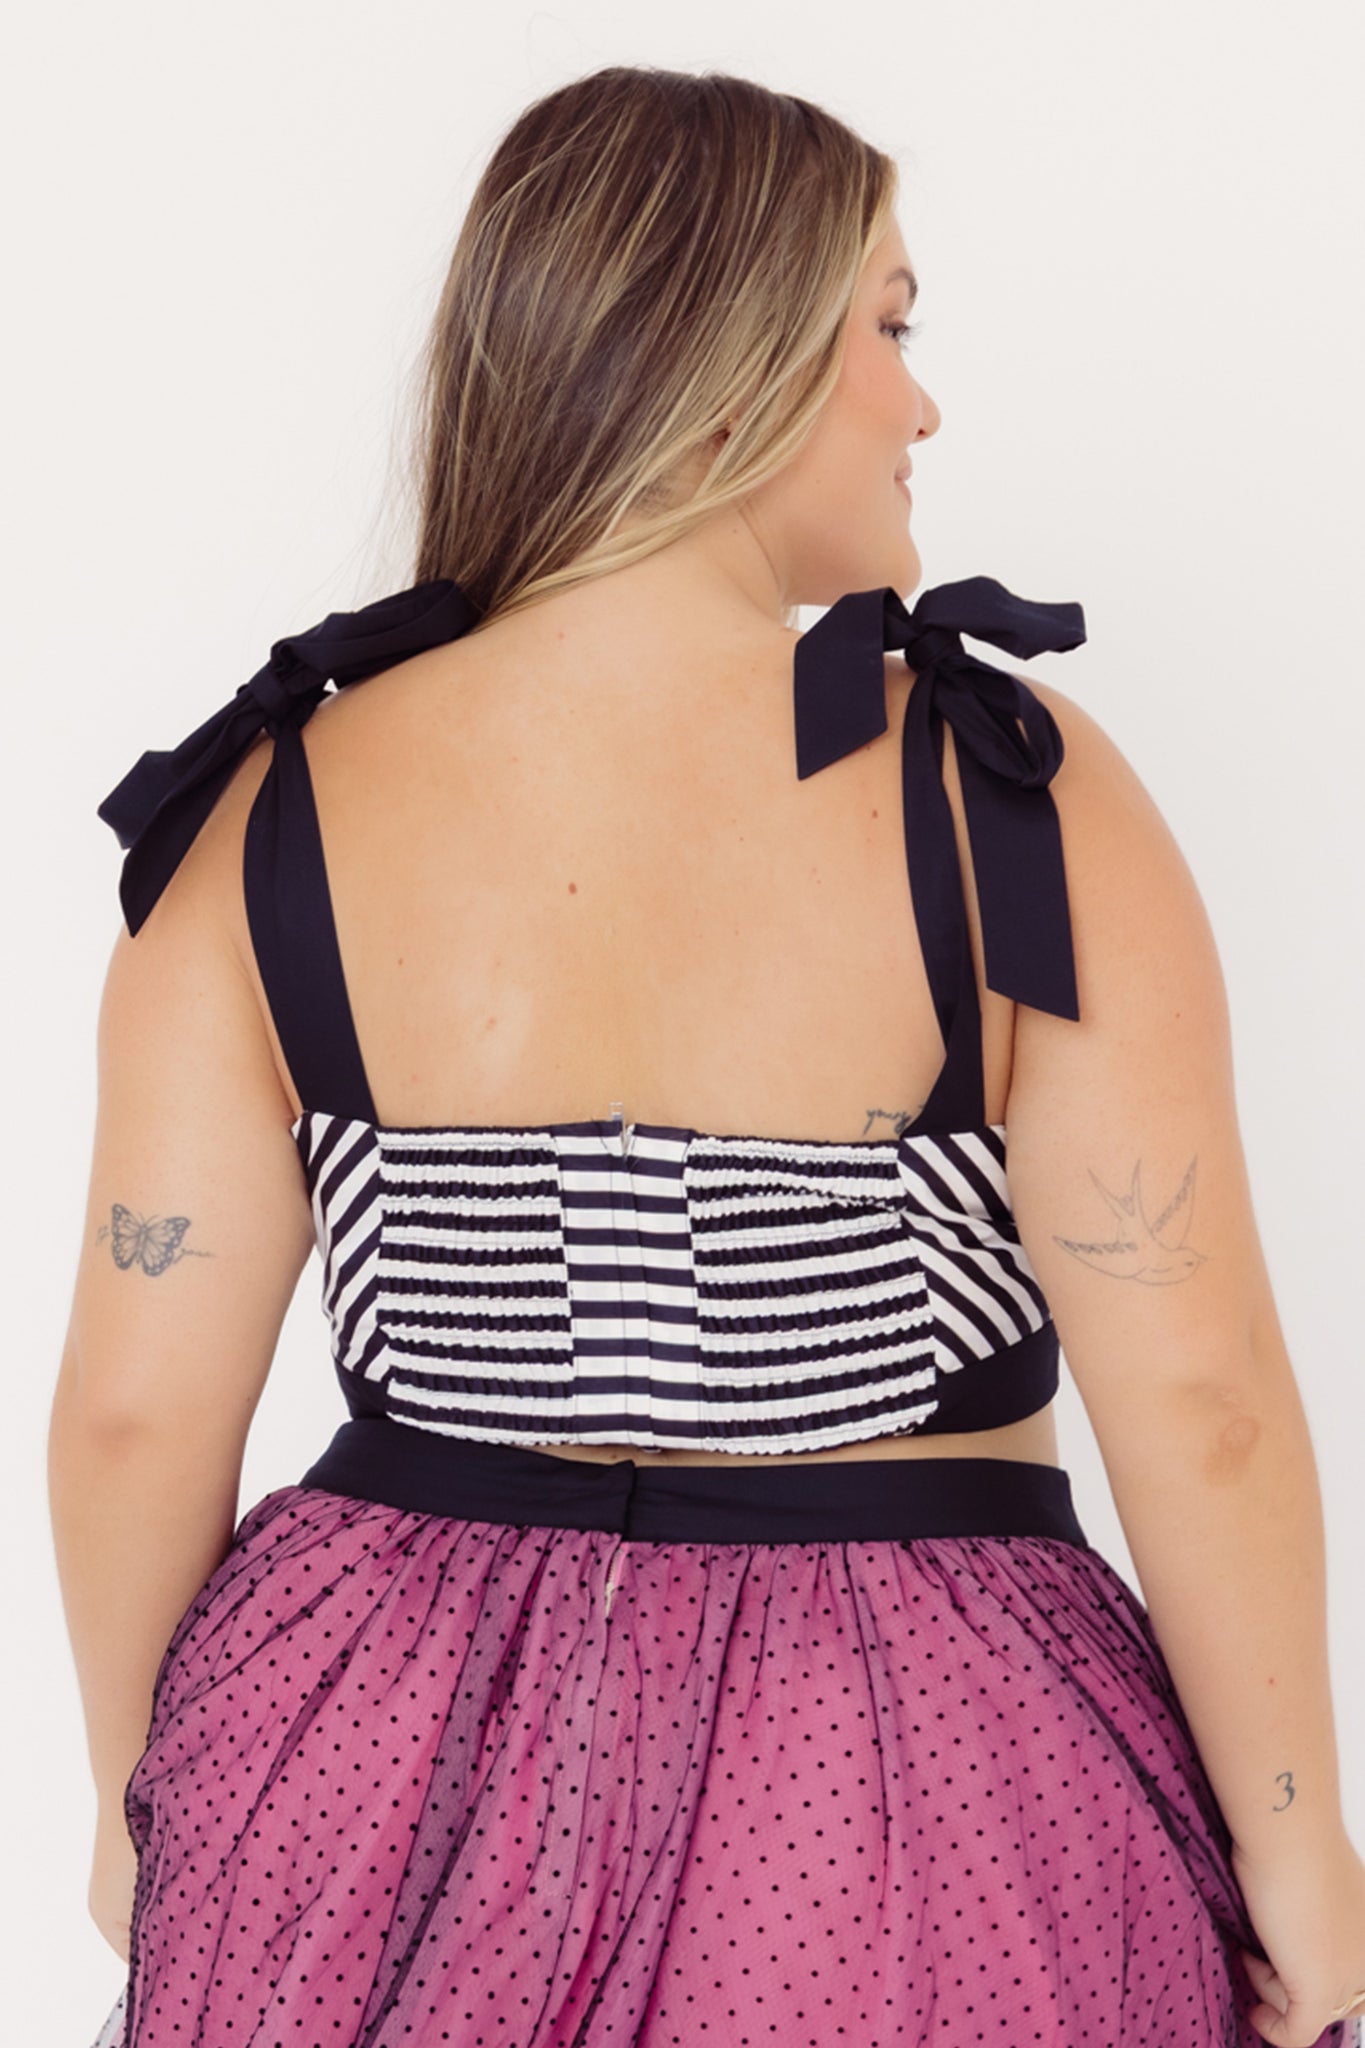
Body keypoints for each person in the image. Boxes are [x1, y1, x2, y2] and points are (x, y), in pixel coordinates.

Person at [49, 62, 1363, 2048]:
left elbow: (137, 1417)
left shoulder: (264, 813)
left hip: (371, 1759)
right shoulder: (1004, 797)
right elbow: (1203, 1398)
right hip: (919, 1776)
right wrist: (1299, 1855)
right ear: (731, 361)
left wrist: (146, 1787)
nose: (917, 404)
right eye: (887, 329)